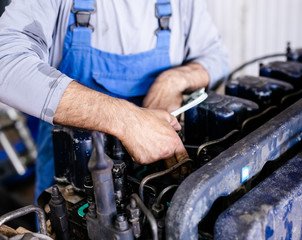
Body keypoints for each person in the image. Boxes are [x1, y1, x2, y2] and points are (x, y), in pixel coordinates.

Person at [0, 0, 229, 199]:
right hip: (70, 188)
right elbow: (6, 62)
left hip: (155, 177)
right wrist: (126, 119)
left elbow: (216, 58)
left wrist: (173, 80)